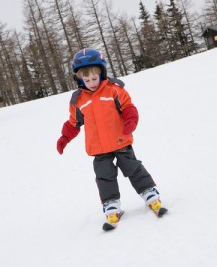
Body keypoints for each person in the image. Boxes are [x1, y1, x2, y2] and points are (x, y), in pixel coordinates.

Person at [57, 48, 162, 225]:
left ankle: (148, 191)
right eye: (86, 79)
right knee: (104, 177)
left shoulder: (114, 90)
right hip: (98, 148)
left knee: (133, 168)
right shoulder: (78, 100)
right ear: (79, 78)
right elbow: (73, 123)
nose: (91, 82)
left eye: (94, 78)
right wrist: (64, 138)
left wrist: (130, 121)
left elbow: (129, 107)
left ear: (102, 72)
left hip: (120, 140)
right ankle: (111, 203)